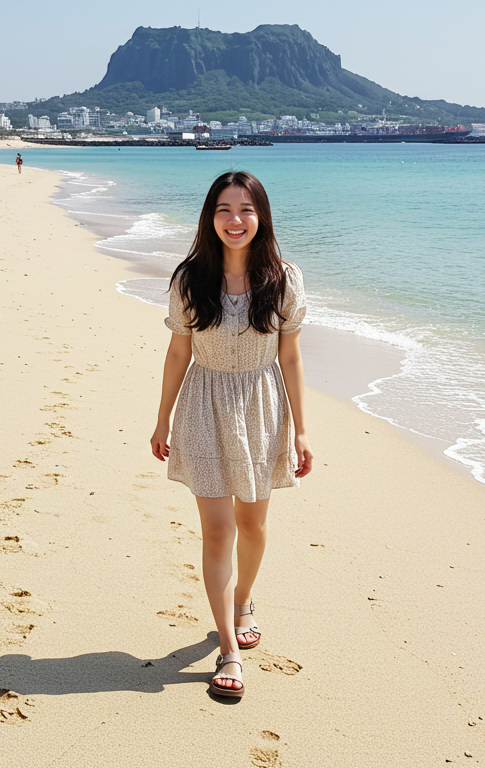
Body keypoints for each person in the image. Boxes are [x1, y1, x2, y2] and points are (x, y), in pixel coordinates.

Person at [151, 171, 311, 698]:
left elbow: (289, 356)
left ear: (260, 216)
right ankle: (228, 648)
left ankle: (244, 599)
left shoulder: (283, 279)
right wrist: (162, 418)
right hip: (202, 406)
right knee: (218, 530)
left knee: (254, 523)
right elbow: (178, 352)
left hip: (263, 409)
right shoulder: (190, 279)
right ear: (209, 217)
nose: (234, 220)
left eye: (245, 209)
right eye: (223, 209)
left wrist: (302, 432)